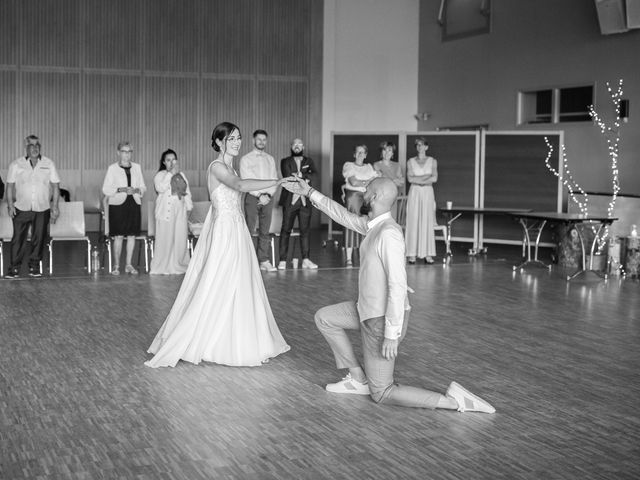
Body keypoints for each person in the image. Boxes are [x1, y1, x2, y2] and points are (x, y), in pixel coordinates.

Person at [281, 175, 495, 413]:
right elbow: (343, 215)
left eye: (367, 188)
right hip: (366, 310)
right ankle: (357, 379)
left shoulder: (389, 233)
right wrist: (309, 192)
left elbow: (397, 284)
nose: (363, 191)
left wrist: (392, 335)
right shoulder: (374, 227)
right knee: (325, 318)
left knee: (382, 393)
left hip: (381, 323)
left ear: (375, 197)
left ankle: (454, 402)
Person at [145, 122, 291, 368]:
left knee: (239, 280)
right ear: (220, 141)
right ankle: (207, 338)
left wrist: (269, 188)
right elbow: (241, 186)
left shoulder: (230, 166)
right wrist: (278, 181)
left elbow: (242, 189)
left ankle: (235, 338)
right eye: (232, 138)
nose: (237, 142)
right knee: (218, 279)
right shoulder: (216, 166)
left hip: (237, 227)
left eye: (239, 138)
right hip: (224, 230)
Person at [5, 135, 61, 278]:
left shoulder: (48, 163)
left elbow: (55, 186)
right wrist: (10, 205)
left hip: (42, 208)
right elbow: (9, 186)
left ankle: (34, 267)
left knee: (39, 238)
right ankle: (14, 268)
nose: (35, 148)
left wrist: (55, 206)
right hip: (21, 207)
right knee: (18, 239)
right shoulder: (16, 164)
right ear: (26, 147)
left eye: (37, 145)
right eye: (32, 145)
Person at [102, 141, 147, 275]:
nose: (127, 154)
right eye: (124, 151)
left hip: (133, 203)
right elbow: (105, 189)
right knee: (119, 236)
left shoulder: (137, 167)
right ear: (118, 153)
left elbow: (143, 187)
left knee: (132, 235)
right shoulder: (112, 168)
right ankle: (116, 265)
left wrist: (137, 190)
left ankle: (128, 264)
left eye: (129, 152)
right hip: (118, 205)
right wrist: (120, 189)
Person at [240, 129, 279, 272]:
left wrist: (267, 195)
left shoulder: (270, 159)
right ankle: (247, 261)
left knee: (265, 230)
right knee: (249, 229)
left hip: (268, 198)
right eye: (259, 139)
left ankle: (263, 260)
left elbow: (274, 179)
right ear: (253, 140)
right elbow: (246, 179)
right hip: (252, 196)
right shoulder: (246, 159)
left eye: (264, 139)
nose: (262, 142)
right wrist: (259, 195)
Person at [149, 149, 192, 275]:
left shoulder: (182, 175)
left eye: (173, 160)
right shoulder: (160, 175)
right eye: (168, 160)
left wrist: (189, 209)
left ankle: (178, 265)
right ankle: (162, 266)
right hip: (165, 212)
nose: (171, 162)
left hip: (180, 212)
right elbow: (160, 188)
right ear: (164, 162)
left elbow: (187, 193)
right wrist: (171, 174)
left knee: (179, 239)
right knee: (166, 240)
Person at [278, 138, 318, 270]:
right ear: (291, 146)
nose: (297, 146)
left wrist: (301, 175)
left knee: (305, 231)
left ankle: (306, 259)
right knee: (286, 230)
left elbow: (314, 176)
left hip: (305, 201)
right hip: (290, 200)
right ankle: (282, 260)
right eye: (294, 144)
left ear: (303, 146)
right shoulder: (285, 161)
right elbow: (288, 176)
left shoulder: (309, 161)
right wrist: (305, 177)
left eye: (299, 144)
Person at [341, 144, 379, 267]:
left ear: (366, 155)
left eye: (362, 152)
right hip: (353, 197)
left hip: (367, 197)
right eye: (358, 152)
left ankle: (366, 256)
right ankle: (349, 258)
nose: (360, 155)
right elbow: (353, 182)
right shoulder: (349, 165)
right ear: (354, 154)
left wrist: (364, 183)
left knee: (368, 225)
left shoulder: (369, 167)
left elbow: (375, 182)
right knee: (351, 224)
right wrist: (367, 182)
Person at [405, 137, 438, 264]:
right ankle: (411, 254)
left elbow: (434, 178)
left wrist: (418, 178)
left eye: (422, 145)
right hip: (415, 192)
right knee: (413, 220)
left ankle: (428, 254)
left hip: (428, 192)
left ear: (426, 147)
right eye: (417, 145)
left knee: (426, 220)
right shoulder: (410, 161)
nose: (420, 147)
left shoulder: (432, 161)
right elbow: (410, 179)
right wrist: (426, 177)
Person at [373, 141, 405, 220]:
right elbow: (379, 181)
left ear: (393, 153)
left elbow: (401, 182)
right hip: (380, 197)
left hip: (393, 197)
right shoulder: (376, 165)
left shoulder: (397, 165)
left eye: (389, 150)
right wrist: (394, 180)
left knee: (391, 221)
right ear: (381, 152)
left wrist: (386, 178)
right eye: (384, 150)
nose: (387, 153)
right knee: (380, 221)